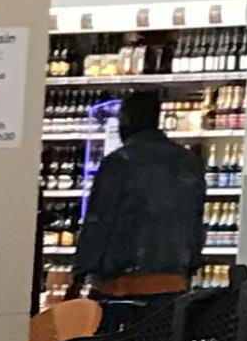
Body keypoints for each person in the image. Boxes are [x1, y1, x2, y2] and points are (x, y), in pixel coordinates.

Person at [72, 91, 206, 302]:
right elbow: (196, 221)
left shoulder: (119, 162)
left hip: (122, 282)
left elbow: (99, 221)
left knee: (117, 324)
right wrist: (190, 265)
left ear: (127, 120)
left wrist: (80, 274)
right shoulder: (189, 162)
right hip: (173, 279)